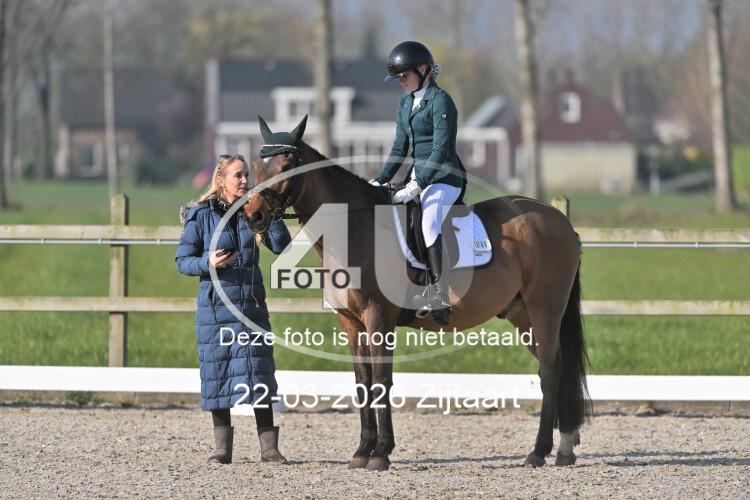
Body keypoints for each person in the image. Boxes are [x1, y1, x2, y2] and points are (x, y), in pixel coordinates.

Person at [175, 154, 291, 465]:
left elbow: (282, 246)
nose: (244, 180)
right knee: (218, 374)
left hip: (252, 310)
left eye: (246, 175)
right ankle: (222, 449)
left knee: (260, 374)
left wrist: (268, 212)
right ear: (221, 180)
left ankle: (269, 449)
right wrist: (208, 262)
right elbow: (182, 261)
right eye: (237, 175)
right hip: (216, 312)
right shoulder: (201, 215)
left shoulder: (253, 209)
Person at [370, 41, 466, 325]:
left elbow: (440, 150)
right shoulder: (405, 103)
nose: (401, 81)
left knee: (429, 222)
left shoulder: (441, 101)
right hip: (416, 176)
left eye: (404, 75)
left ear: (423, 69)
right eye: (398, 77)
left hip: (445, 177)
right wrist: (380, 179)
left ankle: (439, 296)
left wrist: (418, 184)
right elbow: (399, 148)